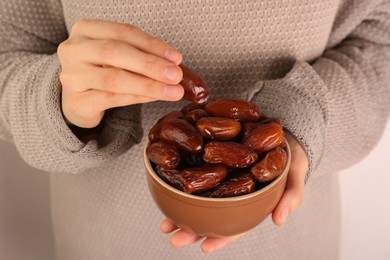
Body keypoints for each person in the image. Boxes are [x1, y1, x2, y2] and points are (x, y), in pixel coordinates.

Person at [0, 0, 389, 259]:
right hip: (105, 243)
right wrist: (57, 100)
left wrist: (302, 118)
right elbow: (7, 52)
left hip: (291, 245)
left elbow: (379, 40)